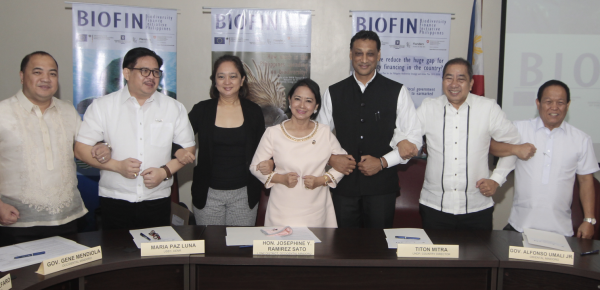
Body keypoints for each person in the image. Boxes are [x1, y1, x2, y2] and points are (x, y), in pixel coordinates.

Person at [74, 47, 196, 230]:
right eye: (144, 71)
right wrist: (117, 166)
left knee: (154, 255)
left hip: (157, 198)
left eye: (156, 72)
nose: (151, 77)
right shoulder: (102, 106)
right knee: (117, 254)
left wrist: (164, 172)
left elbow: (188, 150)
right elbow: (80, 150)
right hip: (115, 199)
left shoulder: (173, 108)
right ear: (126, 73)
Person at [316, 30, 422, 228]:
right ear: (350, 55)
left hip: (382, 189)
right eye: (358, 53)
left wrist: (382, 162)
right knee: (343, 249)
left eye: (370, 53)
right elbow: (318, 138)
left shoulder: (398, 91)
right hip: (343, 187)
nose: (364, 59)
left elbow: (414, 141)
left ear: (379, 55)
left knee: (379, 252)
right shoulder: (334, 92)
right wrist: (331, 159)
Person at [0, 51, 108, 246]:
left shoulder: (68, 110)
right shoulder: (3, 113)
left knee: (68, 276)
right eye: (37, 72)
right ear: (22, 76)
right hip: (16, 222)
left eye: (52, 73)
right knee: (23, 277)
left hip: (67, 220)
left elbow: (87, 145)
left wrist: (100, 148)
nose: (46, 79)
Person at [416, 57, 520, 230]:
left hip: (477, 208)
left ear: (471, 83)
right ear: (442, 81)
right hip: (434, 207)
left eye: (461, 79)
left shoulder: (488, 108)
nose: (454, 84)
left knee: (477, 257)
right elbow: (406, 138)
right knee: (436, 258)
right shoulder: (428, 108)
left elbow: (514, 142)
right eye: (449, 78)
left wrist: (496, 179)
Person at [491, 80, 599, 238]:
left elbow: (586, 182)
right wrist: (515, 148)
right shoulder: (519, 129)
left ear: (568, 105)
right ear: (538, 103)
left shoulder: (581, 139)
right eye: (548, 102)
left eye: (560, 102)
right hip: (519, 227)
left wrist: (589, 220)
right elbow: (492, 146)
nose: (554, 107)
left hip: (561, 231)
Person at [177, 55, 265, 226]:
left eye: (233, 76)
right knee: (211, 247)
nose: (227, 81)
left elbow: (264, 149)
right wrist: (179, 150)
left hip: (244, 195)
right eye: (221, 76)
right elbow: (176, 137)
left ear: (242, 80)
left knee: (239, 249)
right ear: (214, 81)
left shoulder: (254, 111)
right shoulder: (202, 110)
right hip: (208, 194)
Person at [250, 78, 347, 227]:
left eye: (308, 101)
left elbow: (344, 165)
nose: (302, 105)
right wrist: (280, 178)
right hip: (281, 212)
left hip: (316, 212)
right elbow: (255, 167)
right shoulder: (273, 133)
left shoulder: (324, 132)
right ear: (289, 100)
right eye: (297, 99)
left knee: (318, 249)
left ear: (316, 106)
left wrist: (321, 180)